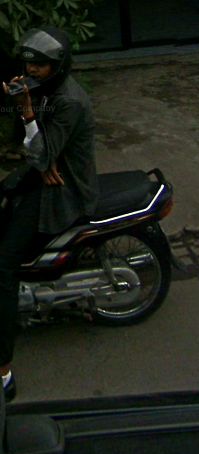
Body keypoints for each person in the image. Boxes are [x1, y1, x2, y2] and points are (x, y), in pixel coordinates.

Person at [1, 26, 98, 401]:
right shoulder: (43, 88)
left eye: (40, 66)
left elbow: (41, 153)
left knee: (3, 266)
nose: (32, 70)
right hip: (41, 175)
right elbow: (35, 150)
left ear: (58, 66)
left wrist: (28, 116)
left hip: (62, 191)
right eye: (29, 64)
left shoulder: (69, 101)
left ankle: (3, 369)